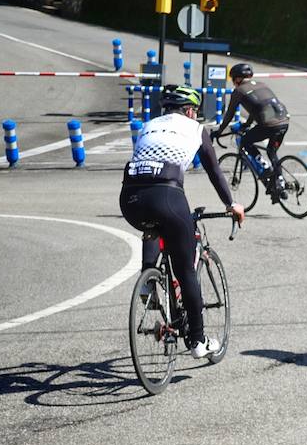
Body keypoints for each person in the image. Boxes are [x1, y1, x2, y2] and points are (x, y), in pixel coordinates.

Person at [120, 84, 246, 358]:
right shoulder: (196, 129)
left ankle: (148, 277)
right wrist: (231, 204)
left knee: (152, 225)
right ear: (190, 110)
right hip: (166, 196)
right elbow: (213, 170)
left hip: (130, 198)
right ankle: (198, 342)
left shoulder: (147, 126)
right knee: (185, 269)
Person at [215, 63, 290, 197]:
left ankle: (266, 168)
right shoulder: (262, 84)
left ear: (238, 79)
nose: (233, 83)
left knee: (245, 141)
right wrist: (247, 124)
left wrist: (219, 132)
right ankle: (279, 181)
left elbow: (229, 114)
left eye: (233, 80)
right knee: (272, 151)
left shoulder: (239, 91)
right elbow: (258, 107)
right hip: (284, 121)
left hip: (269, 124)